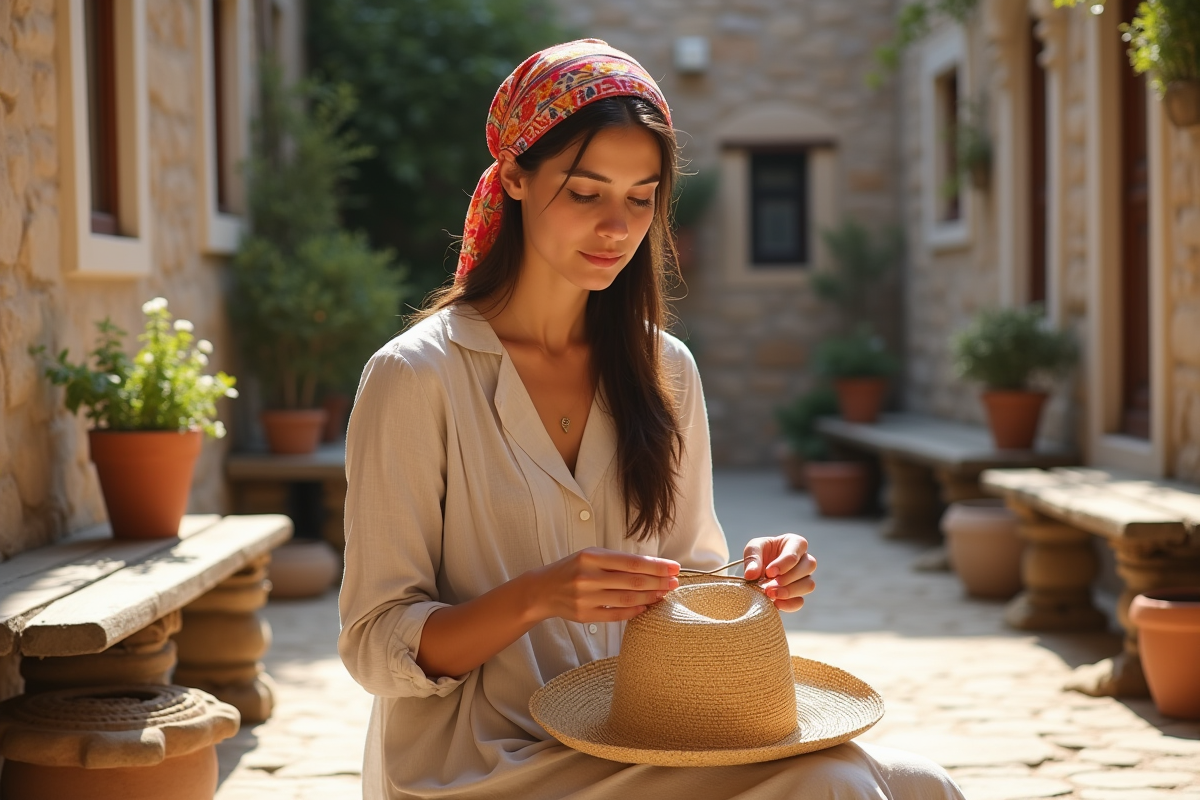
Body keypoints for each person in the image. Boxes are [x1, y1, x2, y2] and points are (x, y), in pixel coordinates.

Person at [338, 39, 965, 800]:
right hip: (477, 759)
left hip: (643, 729)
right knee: (832, 787)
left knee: (923, 784)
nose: (615, 227)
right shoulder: (415, 377)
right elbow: (374, 647)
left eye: (641, 199)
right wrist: (538, 595)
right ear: (514, 176)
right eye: (585, 192)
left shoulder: (667, 370)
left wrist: (755, 578)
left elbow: (689, 586)